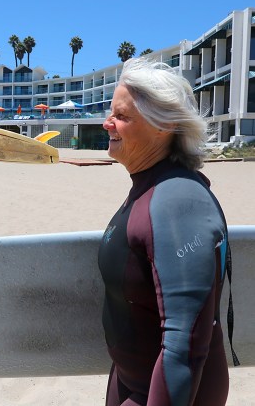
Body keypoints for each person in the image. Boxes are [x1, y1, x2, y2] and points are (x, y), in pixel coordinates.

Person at [98, 58, 235, 405]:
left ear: (165, 125)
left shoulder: (179, 202)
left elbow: (184, 347)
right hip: (131, 380)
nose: (107, 123)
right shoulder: (149, 188)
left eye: (122, 117)